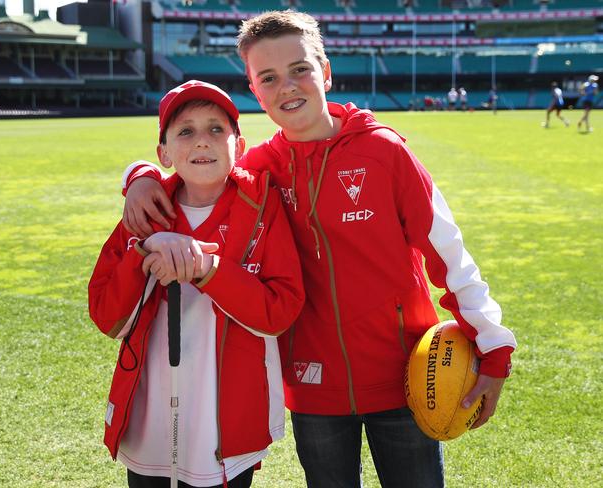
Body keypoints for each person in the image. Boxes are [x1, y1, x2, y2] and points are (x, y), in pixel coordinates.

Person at [118, 10, 517, 488]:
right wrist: (139, 177)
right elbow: (192, 172)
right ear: (255, 91)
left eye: (300, 70)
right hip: (313, 389)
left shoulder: (385, 152)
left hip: (408, 379)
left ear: (325, 71)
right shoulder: (260, 170)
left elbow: (449, 255)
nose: (287, 87)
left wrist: (493, 350)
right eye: (269, 77)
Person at [88, 80, 305, 488]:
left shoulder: (262, 206)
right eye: (185, 131)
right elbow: (106, 316)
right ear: (164, 153)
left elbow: (280, 310)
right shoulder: (145, 212)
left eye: (216, 129)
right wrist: (145, 252)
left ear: (239, 147)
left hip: (224, 423)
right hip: (149, 417)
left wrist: (207, 269)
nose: (202, 141)